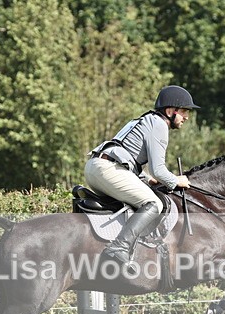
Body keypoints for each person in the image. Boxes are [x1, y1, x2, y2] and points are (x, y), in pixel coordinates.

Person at [84, 85, 199, 268]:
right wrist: (177, 180)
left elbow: (129, 158)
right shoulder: (160, 124)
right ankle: (120, 247)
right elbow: (159, 170)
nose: (186, 117)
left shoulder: (144, 120)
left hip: (94, 167)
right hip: (108, 168)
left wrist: (147, 180)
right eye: (184, 111)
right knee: (154, 204)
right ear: (170, 111)